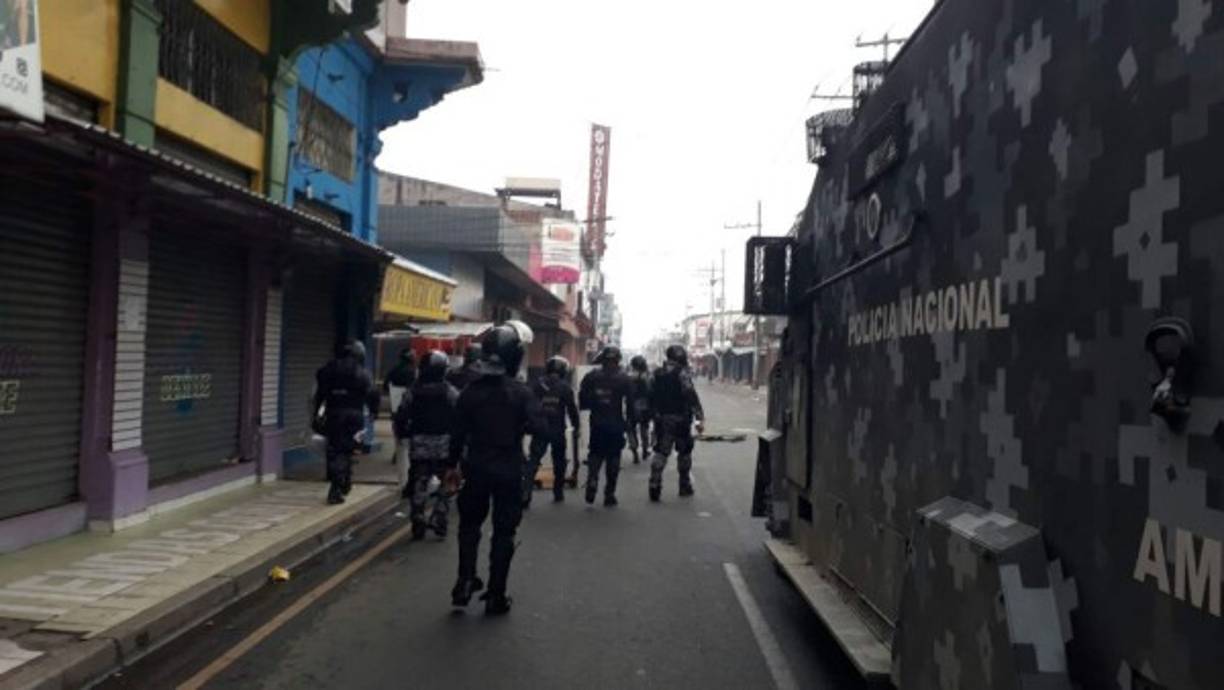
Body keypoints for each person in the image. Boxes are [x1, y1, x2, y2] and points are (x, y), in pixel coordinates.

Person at [449, 322, 547, 615]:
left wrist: (450, 467)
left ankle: (464, 581)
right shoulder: (521, 393)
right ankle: (496, 593)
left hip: (475, 468)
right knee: (504, 532)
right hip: (507, 470)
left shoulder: (469, 392)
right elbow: (541, 428)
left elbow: (456, 434)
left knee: (469, 527)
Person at [394, 350, 459, 540]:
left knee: (419, 481)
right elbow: (461, 414)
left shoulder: (413, 391)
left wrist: (403, 434)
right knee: (447, 482)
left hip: (419, 445)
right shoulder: (449, 391)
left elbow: (401, 415)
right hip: (444, 446)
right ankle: (440, 513)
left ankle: (418, 515)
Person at [313, 339, 380, 505]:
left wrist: (316, 415)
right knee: (347, 449)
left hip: (333, 414)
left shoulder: (327, 370)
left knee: (335, 448)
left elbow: (318, 395)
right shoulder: (361, 372)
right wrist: (373, 411)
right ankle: (339, 484)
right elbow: (373, 393)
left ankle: (340, 480)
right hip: (354, 416)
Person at [578, 346, 634, 507]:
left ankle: (593, 479)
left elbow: (583, 399)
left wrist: (592, 404)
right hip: (615, 423)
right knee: (613, 457)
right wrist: (630, 422)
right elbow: (631, 404)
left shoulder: (591, 376)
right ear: (617, 360)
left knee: (595, 454)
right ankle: (609, 494)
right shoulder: (624, 379)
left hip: (597, 423)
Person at [648, 345, 705, 502]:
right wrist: (699, 417)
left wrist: (654, 415)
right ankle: (684, 485)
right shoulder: (682, 373)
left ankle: (654, 483)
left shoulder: (656, 374)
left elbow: (650, 396)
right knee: (684, 452)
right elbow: (690, 394)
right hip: (681, 420)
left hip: (662, 420)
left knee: (661, 451)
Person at [525, 356, 580, 506]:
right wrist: (577, 427)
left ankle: (525, 491)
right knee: (559, 462)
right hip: (557, 430)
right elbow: (572, 410)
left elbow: (527, 405)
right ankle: (558, 491)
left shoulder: (536, 385)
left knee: (533, 460)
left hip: (539, 429)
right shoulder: (565, 387)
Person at [385, 348, 417, 465]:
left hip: (396, 406)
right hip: (411, 408)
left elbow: (385, 386)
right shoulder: (415, 372)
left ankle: (398, 453)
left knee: (397, 430)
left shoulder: (394, 370)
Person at [626, 355, 653, 464]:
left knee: (631, 430)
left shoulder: (628, 377)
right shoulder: (648, 378)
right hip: (645, 407)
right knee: (644, 429)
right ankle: (645, 450)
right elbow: (652, 393)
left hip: (631, 406)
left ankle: (635, 452)